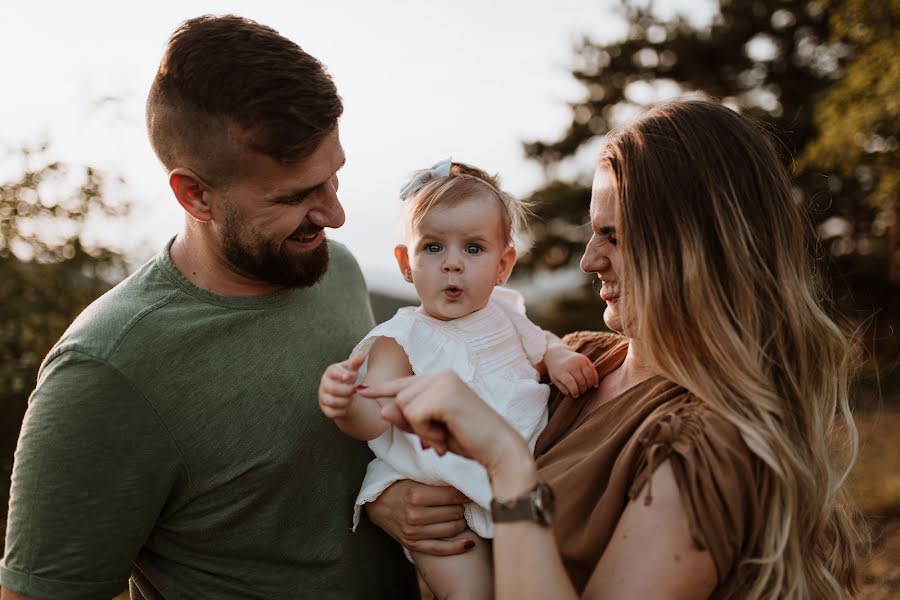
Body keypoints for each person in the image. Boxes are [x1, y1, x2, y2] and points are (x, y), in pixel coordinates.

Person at [360, 100, 866, 598]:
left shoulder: (702, 445)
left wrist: (509, 469)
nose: (589, 260)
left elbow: (502, 470)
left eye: (614, 236)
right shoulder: (579, 362)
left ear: (694, 247)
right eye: (591, 233)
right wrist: (393, 498)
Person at [0, 15, 417, 600]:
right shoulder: (105, 372)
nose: (333, 215)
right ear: (194, 194)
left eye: (334, 180)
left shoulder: (337, 269)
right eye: (295, 196)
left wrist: (387, 496)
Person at [318, 160, 598, 599]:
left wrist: (559, 354)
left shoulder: (505, 311)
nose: (452, 264)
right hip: (440, 496)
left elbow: (537, 341)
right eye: (432, 248)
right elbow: (373, 415)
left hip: (514, 482)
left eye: (472, 249)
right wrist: (345, 403)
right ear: (405, 263)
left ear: (503, 264)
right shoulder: (402, 337)